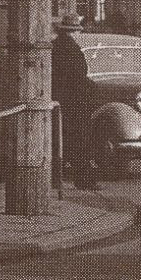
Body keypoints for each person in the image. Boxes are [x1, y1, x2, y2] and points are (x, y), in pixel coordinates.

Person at [51, 13, 100, 190]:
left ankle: (58, 177)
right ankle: (84, 180)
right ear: (73, 32)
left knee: (62, 140)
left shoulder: (56, 46)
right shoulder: (71, 49)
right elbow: (79, 75)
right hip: (74, 101)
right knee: (80, 142)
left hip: (62, 99)